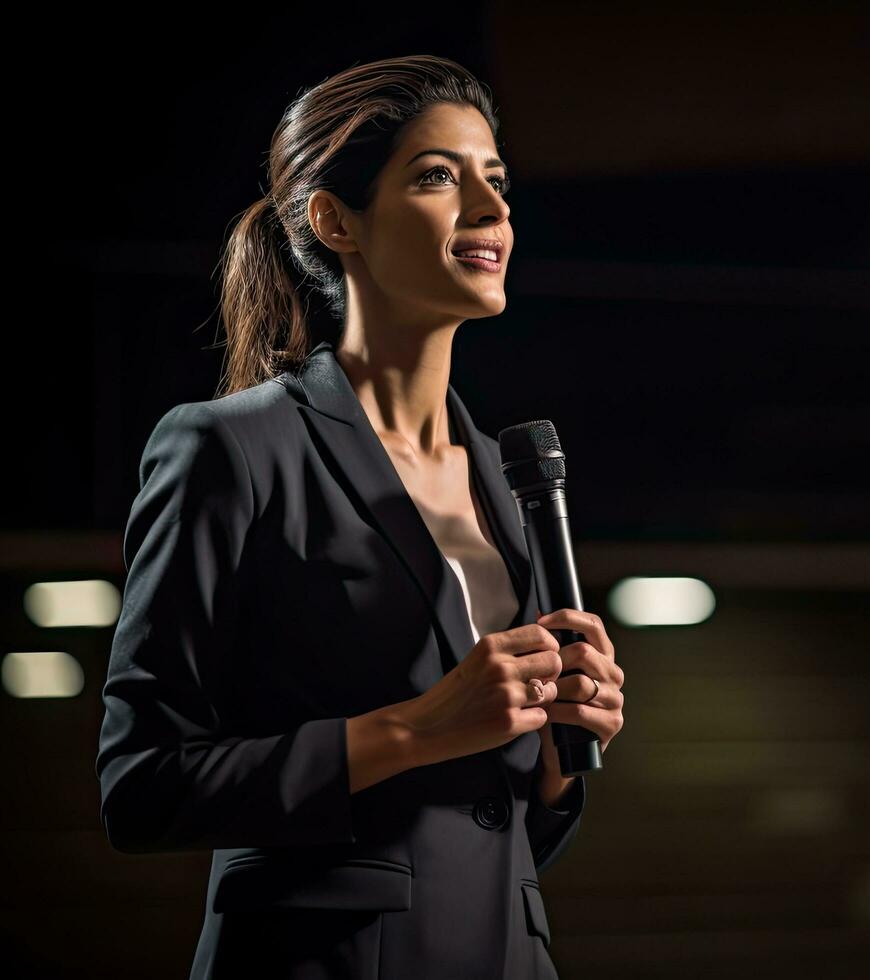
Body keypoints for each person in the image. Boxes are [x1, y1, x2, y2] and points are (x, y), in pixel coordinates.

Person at [95, 54, 625, 979]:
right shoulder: (232, 449)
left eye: (496, 181)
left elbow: (499, 826)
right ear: (336, 220)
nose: (492, 210)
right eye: (437, 177)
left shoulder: (510, 479)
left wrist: (556, 754)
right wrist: (418, 728)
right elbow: (141, 788)